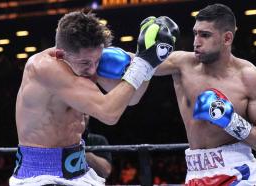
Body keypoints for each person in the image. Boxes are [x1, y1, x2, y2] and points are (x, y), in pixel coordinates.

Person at [9, 9, 177, 186]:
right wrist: (141, 64)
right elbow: (109, 113)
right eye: (86, 63)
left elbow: (132, 97)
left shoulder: (85, 59)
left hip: (79, 171)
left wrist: (148, 61)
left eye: (97, 61)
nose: (92, 70)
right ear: (60, 55)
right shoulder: (43, 68)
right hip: (40, 176)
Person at [153, 4, 256, 185]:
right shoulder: (182, 64)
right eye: (195, 33)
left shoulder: (251, 78)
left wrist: (229, 121)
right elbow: (129, 65)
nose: (196, 41)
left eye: (205, 35)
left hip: (239, 173)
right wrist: (145, 50)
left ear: (227, 38)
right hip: (195, 172)